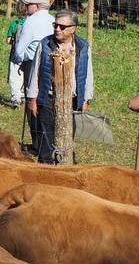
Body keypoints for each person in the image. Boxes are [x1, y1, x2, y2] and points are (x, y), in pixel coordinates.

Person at [28, 10, 93, 164]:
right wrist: (32, 98)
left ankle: (65, 166)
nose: (57, 29)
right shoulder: (45, 44)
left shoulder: (82, 46)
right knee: (46, 137)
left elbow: (88, 72)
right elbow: (35, 71)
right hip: (48, 98)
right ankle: (45, 168)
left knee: (67, 136)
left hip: (73, 100)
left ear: (73, 28)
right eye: (55, 25)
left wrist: (86, 98)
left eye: (62, 27)